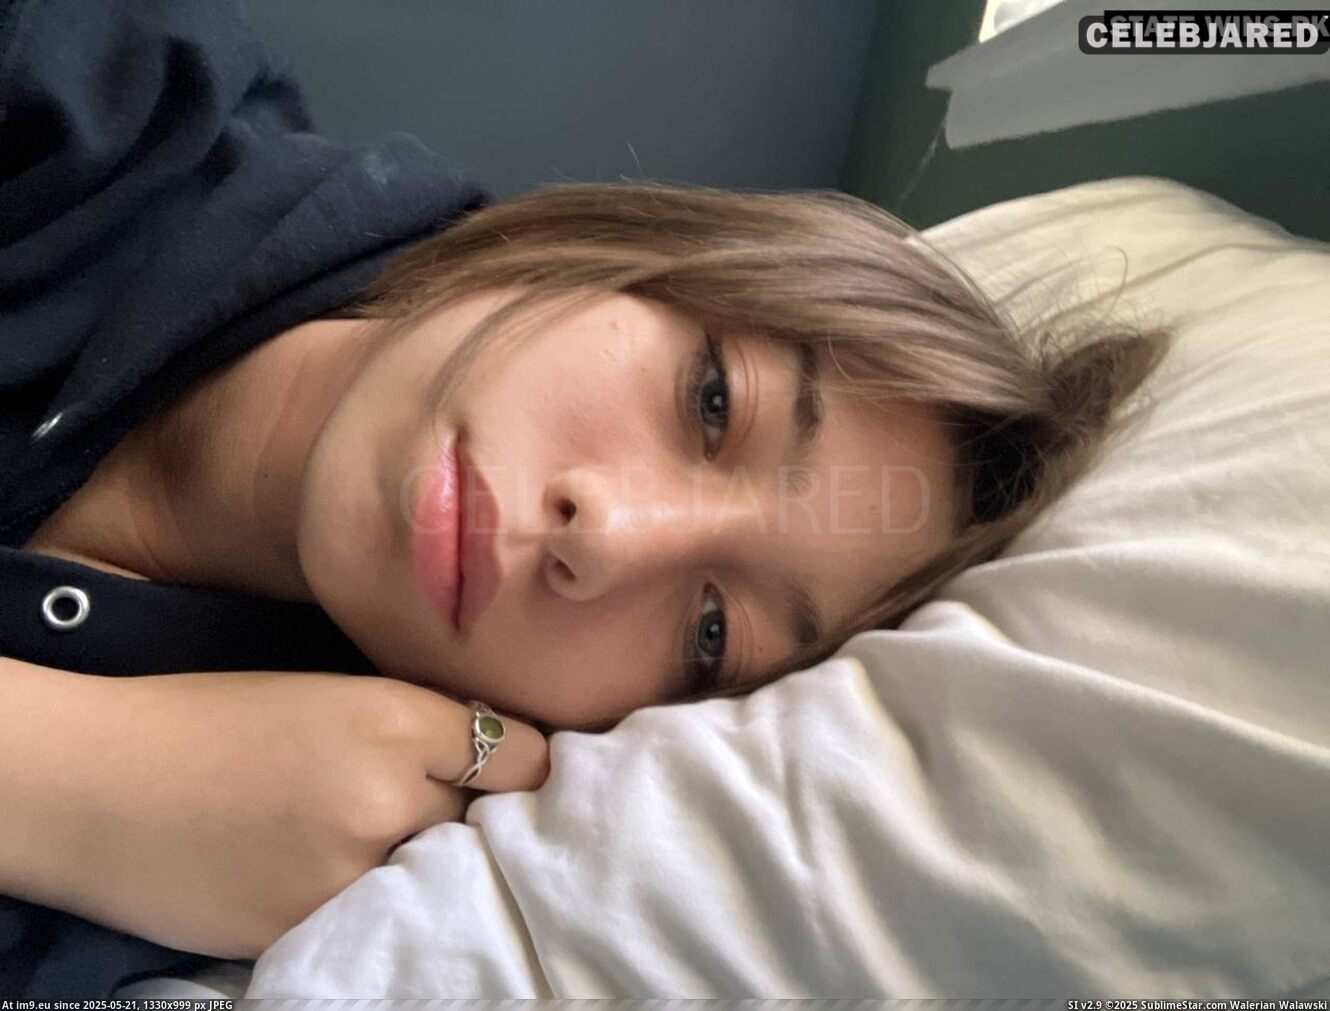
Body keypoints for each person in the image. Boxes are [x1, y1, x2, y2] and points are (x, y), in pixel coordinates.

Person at [0, 0, 1170, 999]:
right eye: (712, 402)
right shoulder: (85, 81)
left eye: (710, 634)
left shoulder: (296, 859)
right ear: (615, 251)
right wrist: (77, 775)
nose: (607, 539)